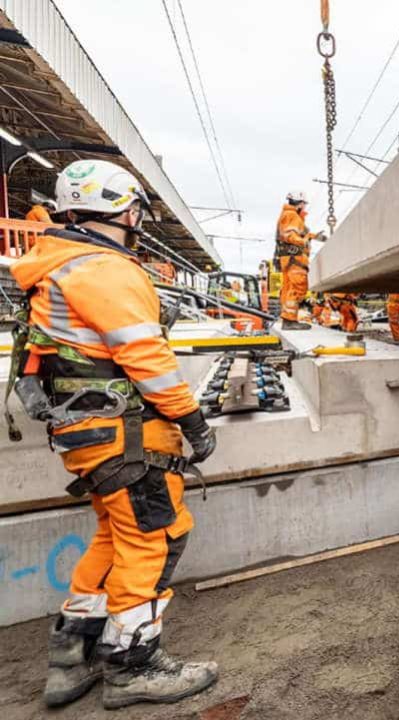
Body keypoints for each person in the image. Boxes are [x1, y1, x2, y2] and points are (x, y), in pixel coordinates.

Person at [8, 160, 218, 708]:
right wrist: (190, 419)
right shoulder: (105, 269)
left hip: (88, 437)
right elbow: (146, 356)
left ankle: (71, 654)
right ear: (125, 211)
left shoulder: (57, 266)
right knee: (156, 537)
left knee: (113, 537)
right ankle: (133, 666)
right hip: (126, 435)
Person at [275, 192, 323, 330]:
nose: (305, 207)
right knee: (297, 288)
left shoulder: (290, 215)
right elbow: (289, 234)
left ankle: (288, 320)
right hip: (294, 258)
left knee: (289, 289)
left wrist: (314, 236)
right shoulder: (291, 215)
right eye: (304, 204)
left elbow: (297, 232)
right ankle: (290, 321)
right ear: (300, 203)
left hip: (291, 258)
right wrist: (303, 241)